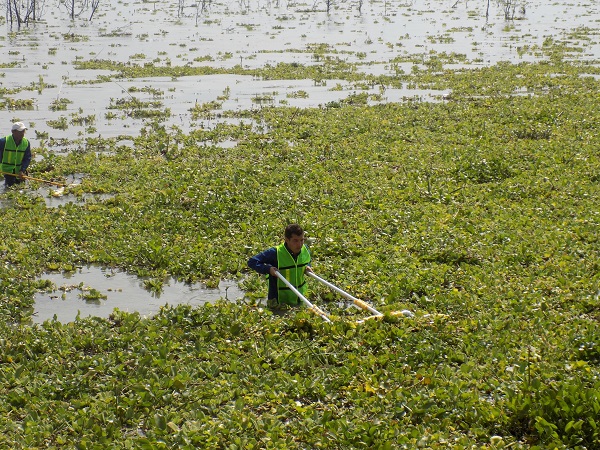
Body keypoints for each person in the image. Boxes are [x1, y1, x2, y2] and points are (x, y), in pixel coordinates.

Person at [248, 223, 313, 308]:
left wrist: (308, 266)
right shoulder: (275, 253)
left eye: (302, 240)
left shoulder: (305, 250)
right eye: (295, 241)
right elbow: (252, 261)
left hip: (299, 299)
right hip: (278, 302)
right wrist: (268, 269)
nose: (299, 244)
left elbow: (307, 260)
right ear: (287, 239)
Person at [0, 122, 32, 188]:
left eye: (23, 131)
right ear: (13, 132)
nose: (22, 133)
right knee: (9, 187)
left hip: (19, 171)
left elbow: (27, 158)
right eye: (20, 131)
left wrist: (22, 170)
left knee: (21, 188)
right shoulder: (3, 141)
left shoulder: (26, 143)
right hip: (7, 171)